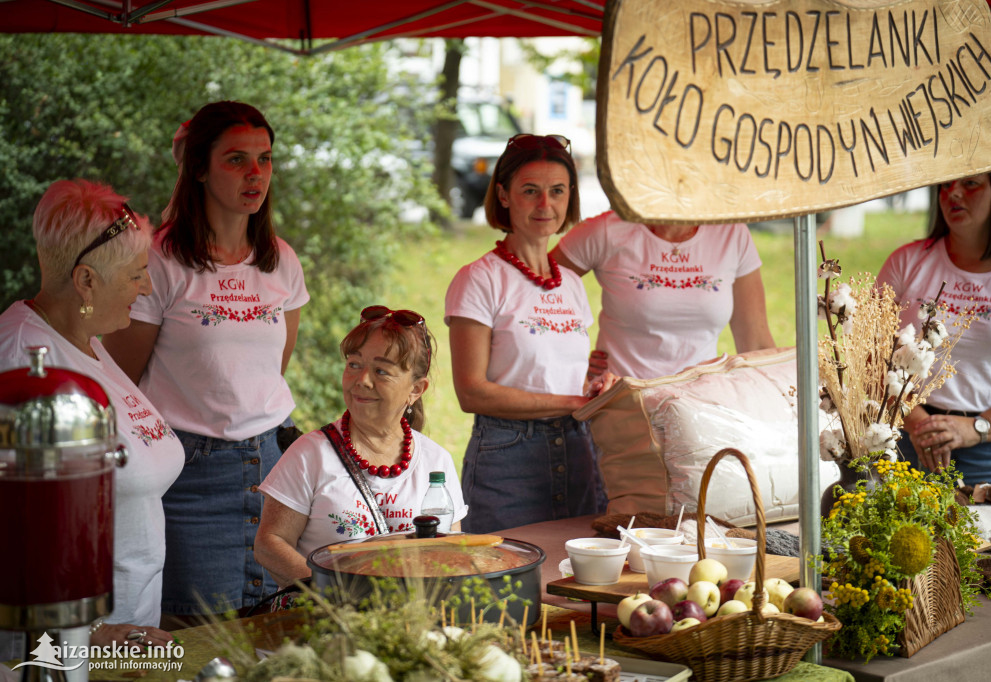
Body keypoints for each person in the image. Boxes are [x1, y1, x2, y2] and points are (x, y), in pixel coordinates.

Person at [102, 101, 309, 618]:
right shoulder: (159, 260)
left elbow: (271, 371)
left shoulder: (280, 259)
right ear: (198, 167)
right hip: (190, 475)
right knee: (201, 632)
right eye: (236, 159)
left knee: (276, 626)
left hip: (276, 466)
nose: (255, 174)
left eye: (264, 159)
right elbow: (120, 382)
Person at [0, 179, 184, 649]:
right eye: (136, 274)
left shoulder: (89, 343)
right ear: (86, 280)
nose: (145, 288)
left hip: (126, 636)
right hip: (56, 650)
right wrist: (94, 633)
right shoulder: (24, 359)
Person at [444, 134, 613, 534]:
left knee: (575, 586)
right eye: (530, 191)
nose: (545, 205)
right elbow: (471, 392)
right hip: (507, 456)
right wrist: (573, 400)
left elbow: (560, 370)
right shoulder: (478, 280)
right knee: (504, 589)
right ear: (503, 195)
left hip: (578, 448)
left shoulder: (571, 283)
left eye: (557, 191)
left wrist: (596, 386)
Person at [255, 306, 467, 585]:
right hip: (327, 617)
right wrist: (334, 596)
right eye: (354, 364)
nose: (362, 380)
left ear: (416, 390)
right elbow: (270, 543)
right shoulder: (311, 454)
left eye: (381, 371)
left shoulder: (435, 461)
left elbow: (450, 551)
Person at [877, 152, 991, 487]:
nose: (953, 193)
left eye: (970, 184)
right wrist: (917, 423)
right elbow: (870, 356)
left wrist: (975, 428)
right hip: (911, 446)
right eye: (945, 185)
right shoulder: (906, 262)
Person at [551, 211, 775, 381]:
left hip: (701, 407)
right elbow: (532, 289)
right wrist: (573, 359)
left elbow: (755, 342)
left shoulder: (731, 232)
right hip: (621, 405)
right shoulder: (607, 229)